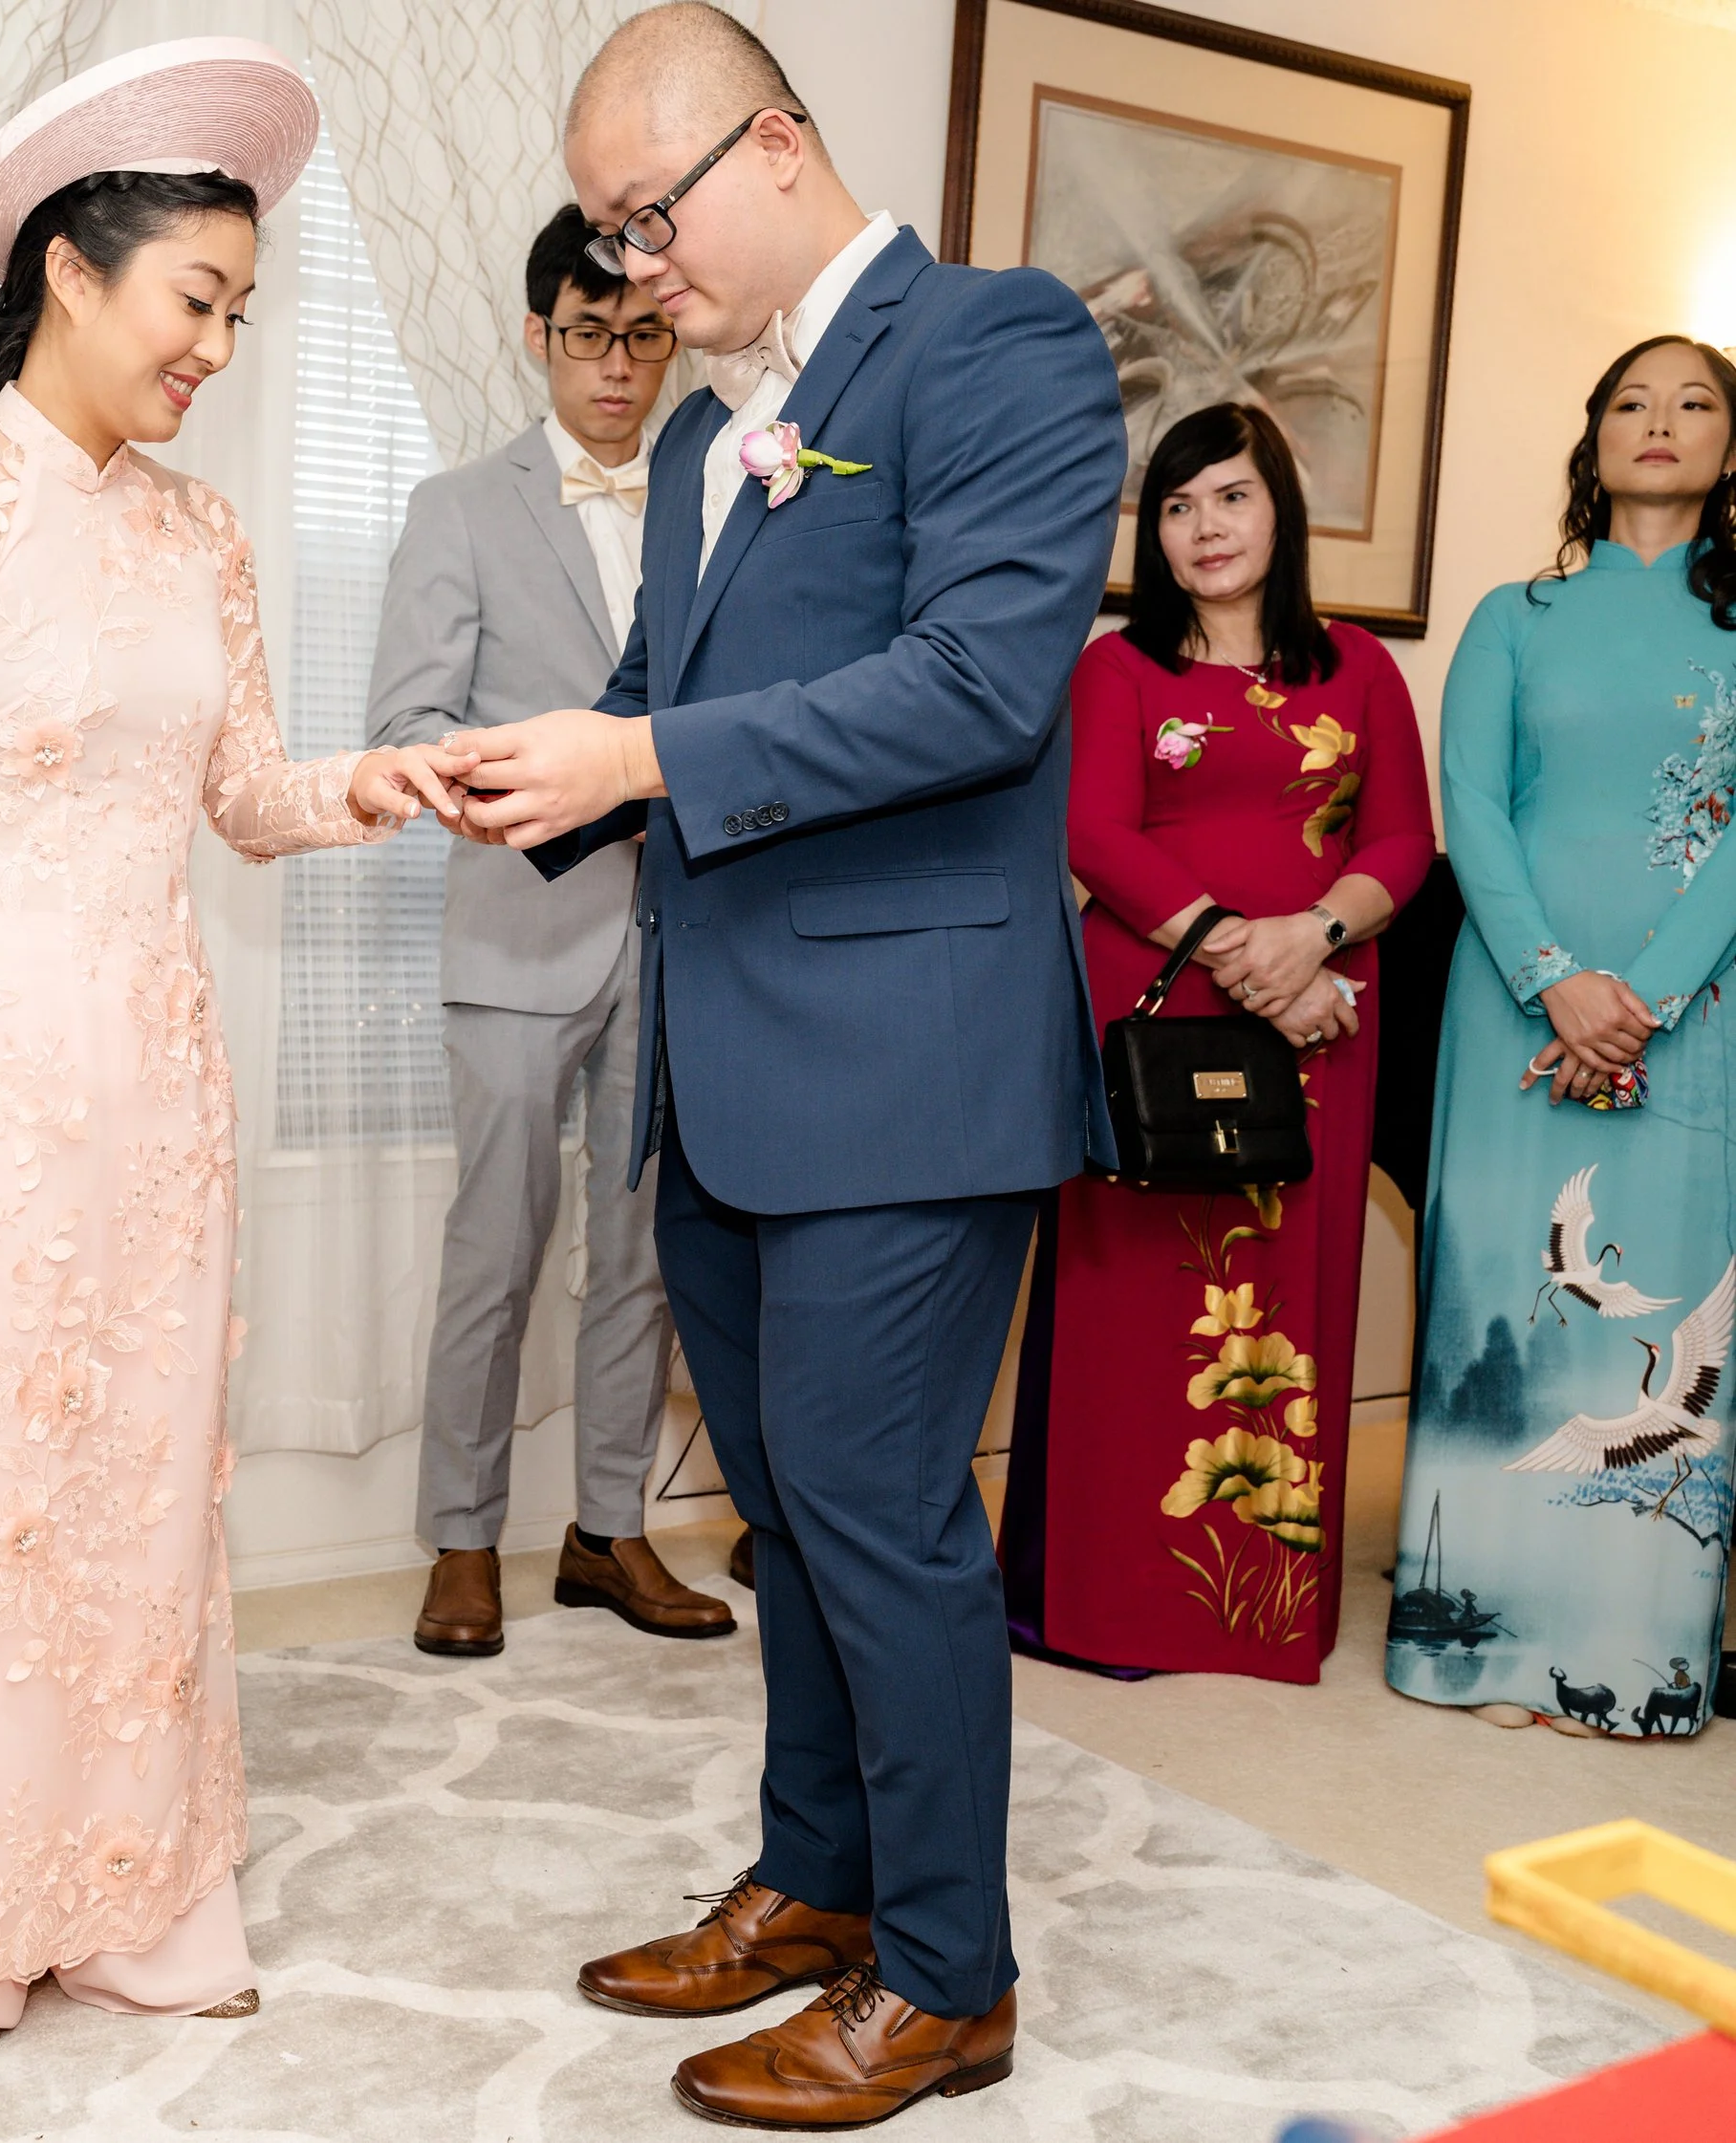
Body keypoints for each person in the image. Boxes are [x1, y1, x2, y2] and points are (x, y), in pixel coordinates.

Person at [446, 6, 1126, 2125]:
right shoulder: (697, 442)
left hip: (908, 1069)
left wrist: (638, 754)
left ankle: (946, 1975)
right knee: (793, 1519)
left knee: (879, 1514)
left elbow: (977, 685)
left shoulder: (997, 344)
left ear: (772, 143)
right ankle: (821, 1879)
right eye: (606, 240)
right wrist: (483, 774)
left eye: (642, 222)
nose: (632, 274)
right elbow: (648, 704)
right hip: (725, 1073)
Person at [0, 40, 474, 2069]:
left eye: (242, 314)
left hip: (160, 1080)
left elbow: (242, 796)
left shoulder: (204, 537)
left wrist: (378, 780)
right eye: (197, 299)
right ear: (69, 273)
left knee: (138, 1496)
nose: (217, 348)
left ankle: (128, 1897)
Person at [998, 402, 1434, 1682]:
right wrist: (1248, 953)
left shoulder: (1359, 666)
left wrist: (1315, 936)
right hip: (1157, 1008)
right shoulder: (1119, 671)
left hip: (1325, 1014)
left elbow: (1400, 839)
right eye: (1179, 506)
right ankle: (1106, 1601)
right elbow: (1095, 833)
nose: (1205, 527)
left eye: (1231, 497)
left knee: (1289, 1295)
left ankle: (1255, 1610)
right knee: (1131, 1300)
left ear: (1280, 509)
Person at [368, 206, 734, 1656]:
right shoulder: (460, 506)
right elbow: (406, 727)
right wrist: (550, 794)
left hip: (685, 932)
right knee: (496, 1248)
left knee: (643, 1251)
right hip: (520, 933)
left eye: (645, 337)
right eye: (589, 337)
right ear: (539, 336)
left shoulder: (722, 504)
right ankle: (462, 1538)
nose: (619, 369)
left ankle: (607, 1530)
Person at [1387, 335, 1736, 1737]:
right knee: (1508, 1294)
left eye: (1695, 403)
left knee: (1666, 1321)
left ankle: (1635, 1655)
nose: (1660, 422)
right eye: (1631, 402)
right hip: (1512, 1008)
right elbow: (1471, 809)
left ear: (1731, 446)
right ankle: (1478, 1646)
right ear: (1593, 439)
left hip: (1691, 1012)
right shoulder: (1512, 616)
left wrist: (1642, 997)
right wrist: (1556, 983)